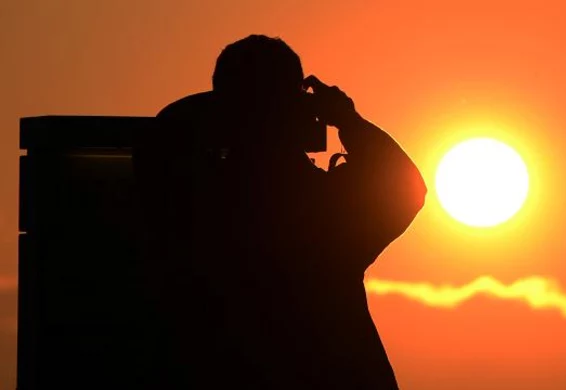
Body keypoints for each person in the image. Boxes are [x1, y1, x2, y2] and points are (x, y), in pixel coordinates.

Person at [135, 34, 426, 389]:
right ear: (298, 113)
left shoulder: (190, 201)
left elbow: (167, 134)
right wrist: (348, 121)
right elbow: (406, 188)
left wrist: (215, 111)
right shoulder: (325, 212)